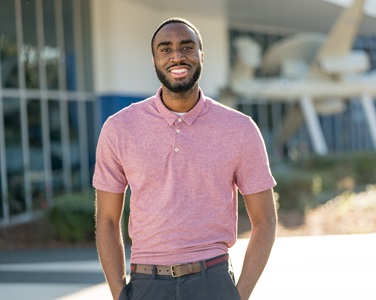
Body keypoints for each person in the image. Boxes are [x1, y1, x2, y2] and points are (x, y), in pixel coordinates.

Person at [94, 17, 277, 300]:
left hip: (212, 281)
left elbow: (265, 221)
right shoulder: (119, 128)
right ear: (154, 59)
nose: (177, 56)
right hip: (146, 284)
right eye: (165, 49)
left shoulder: (240, 129)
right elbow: (106, 220)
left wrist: (237, 296)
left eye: (187, 47)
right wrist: (119, 294)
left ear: (202, 55)